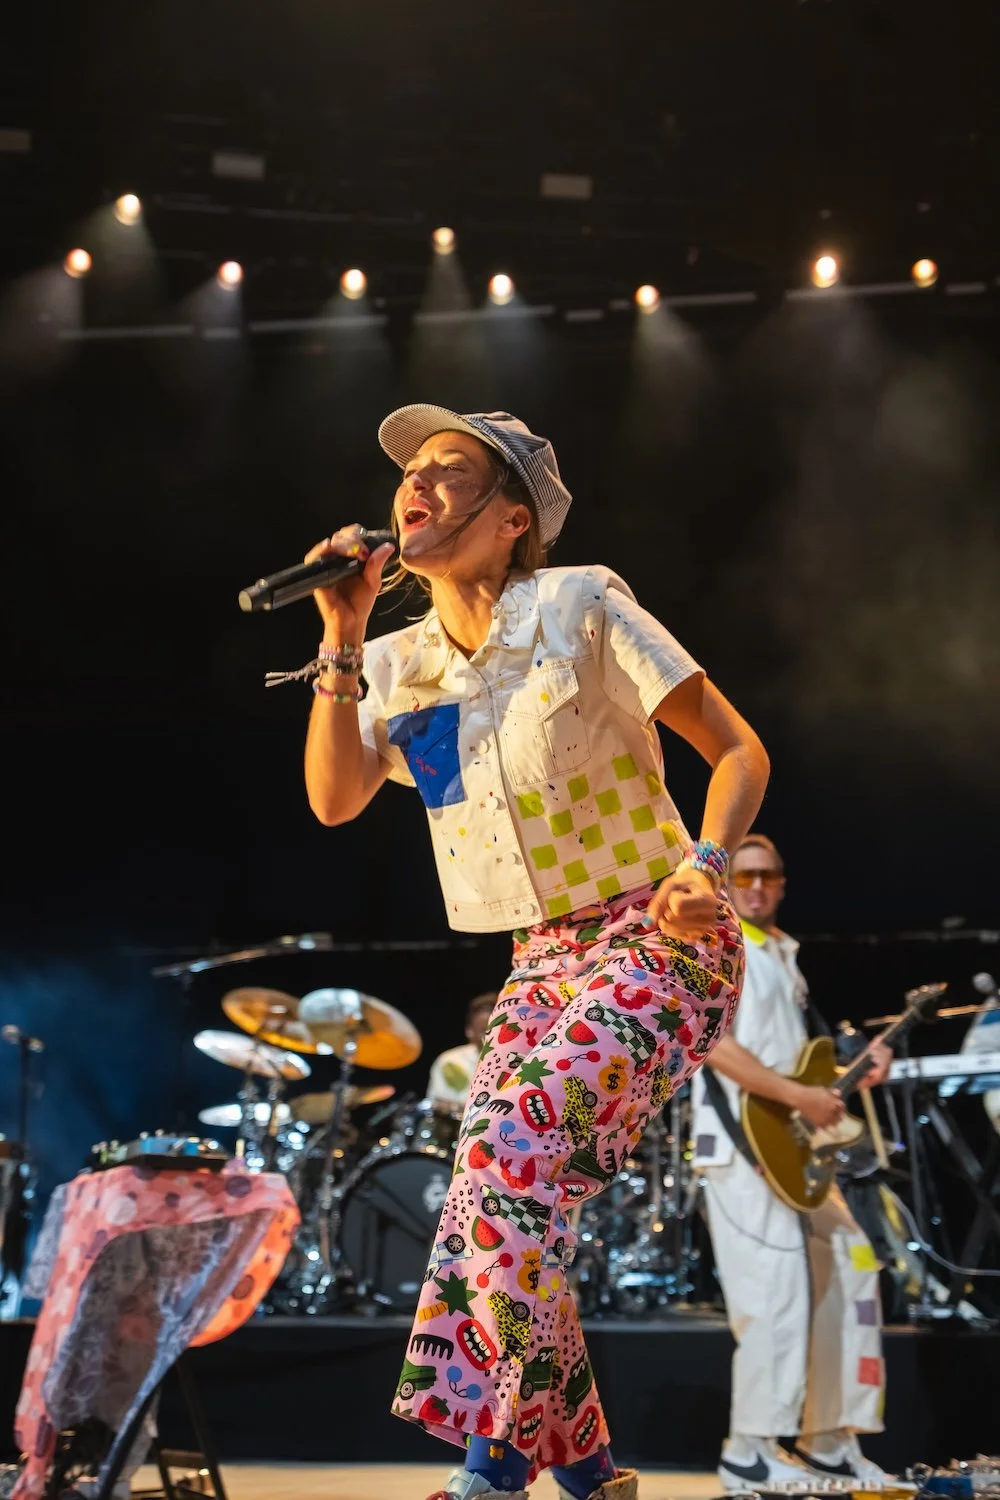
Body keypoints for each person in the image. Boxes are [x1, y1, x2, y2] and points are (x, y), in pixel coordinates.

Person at [300, 405, 769, 1500]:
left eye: (449, 471)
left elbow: (738, 749)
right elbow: (333, 799)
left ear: (514, 519)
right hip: (540, 959)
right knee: (488, 1190)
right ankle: (593, 1473)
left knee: (511, 1155)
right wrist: (340, 631)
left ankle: (493, 1471)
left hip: (660, 930)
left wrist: (706, 862)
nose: (416, 487)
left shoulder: (580, 603)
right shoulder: (397, 662)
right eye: (409, 474)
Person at [690, 833, 893, 1492]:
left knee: (854, 1262)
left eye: (767, 876)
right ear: (727, 884)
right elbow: (711, 1042)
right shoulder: (716, 941)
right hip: (741, 1148)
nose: (755, 886)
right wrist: (798, 1095)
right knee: (772, 1294)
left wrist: (852, 1071)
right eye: (744, 875)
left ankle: (829, 1439)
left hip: (793, 1145)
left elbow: (798, 1060)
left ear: (781, 883)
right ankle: (749, 1451)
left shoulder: (783, 952)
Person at [427, 992, 499, 1108]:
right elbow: (437, 1106)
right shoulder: (450, 1060)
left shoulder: (516, 1059)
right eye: (483, 1031)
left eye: (495, 1030)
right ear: (469, 1031)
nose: (489, 1036)